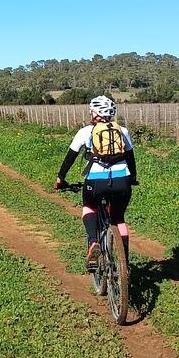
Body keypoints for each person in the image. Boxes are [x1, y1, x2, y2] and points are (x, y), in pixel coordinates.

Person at [53, 95, 138, 269]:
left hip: (95, 181)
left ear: (94, 113)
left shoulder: (85, 132)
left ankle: (93, 242)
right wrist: (132, 178)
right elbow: (130, 158)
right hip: (122, 180)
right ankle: (125, 263)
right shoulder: (122, 131)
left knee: (89, 208)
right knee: (119, 219)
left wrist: (60, 178)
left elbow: (70, 158)